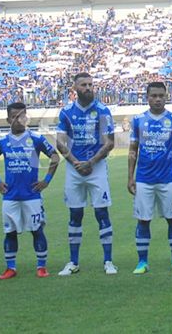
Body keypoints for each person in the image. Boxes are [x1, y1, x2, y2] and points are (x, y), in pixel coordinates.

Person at [0, 102, 59, 279]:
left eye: (22, 116)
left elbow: (55, 156)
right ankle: (11, 267)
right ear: (8, 119)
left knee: (37, 231)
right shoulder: (2, 142)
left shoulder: (35, 139)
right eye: (14, 116)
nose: (19, 119)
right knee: (10, 232)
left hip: (32, 195)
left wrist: (46, 180)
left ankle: (41, 266)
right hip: (10, 196)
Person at [55, 73, 117, 276]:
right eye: (84, 84)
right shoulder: (65, 112)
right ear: (74, 88)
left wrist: (90, 162)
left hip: (96, 168)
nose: (89, 87)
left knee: (101, 213)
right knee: (75, 214)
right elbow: (60, 142)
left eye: (91, 84)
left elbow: (109, 142)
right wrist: (75, 163)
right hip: (74, 169)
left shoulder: (102, 111)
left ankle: (108, 261)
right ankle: (73, 262)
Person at [127, 82, 172, 274]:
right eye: (153, 95)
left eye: (161, 95)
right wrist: (130, 177)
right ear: (147, 97)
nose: (157, 99)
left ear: (166, 96)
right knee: (143, 220)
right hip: (144, 179)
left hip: (168, 179)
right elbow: (133, 149)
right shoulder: (138, 120)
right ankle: (142, 262)